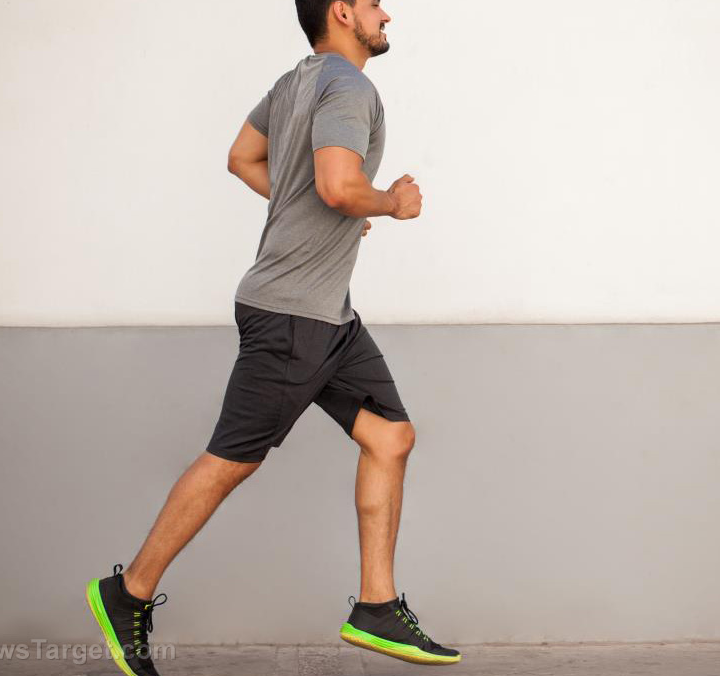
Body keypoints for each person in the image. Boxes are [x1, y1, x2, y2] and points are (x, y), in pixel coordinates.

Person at [84, 1, 460, 673]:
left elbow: (242, 157)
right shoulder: (349, 86)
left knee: (389, 435)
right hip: (293, 316)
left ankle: (376, 606)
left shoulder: (295, 82)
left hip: (328, 316)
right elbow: (338, 186)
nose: (387, 15)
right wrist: (386, 203)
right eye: (374, 3)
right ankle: (128, 591)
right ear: (341, 11)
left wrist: (326, 206)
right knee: (231, 459)